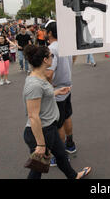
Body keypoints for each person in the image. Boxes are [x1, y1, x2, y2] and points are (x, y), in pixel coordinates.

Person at [22, 44, 91, 179]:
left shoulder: (40, 77)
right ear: (45, 60)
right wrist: (41, 144)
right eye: (51, 56)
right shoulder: (34, 84)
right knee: (37, 168)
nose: (53, 57)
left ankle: (73, 176)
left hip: (49, 128)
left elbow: (42, 96)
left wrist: (56, 92)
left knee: (61, 156)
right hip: (41, 132)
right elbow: (33, 116)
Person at [44, 21, 78, 167]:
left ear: (50, 33)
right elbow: (74, 58)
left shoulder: (51, 49)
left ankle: (60, 155)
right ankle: (70, 144)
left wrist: (47, 84)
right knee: (67, 117)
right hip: (67, 88)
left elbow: (49, 73)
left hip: (57, 91)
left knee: (58, 124)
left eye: (45, 31)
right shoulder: (66, 45)